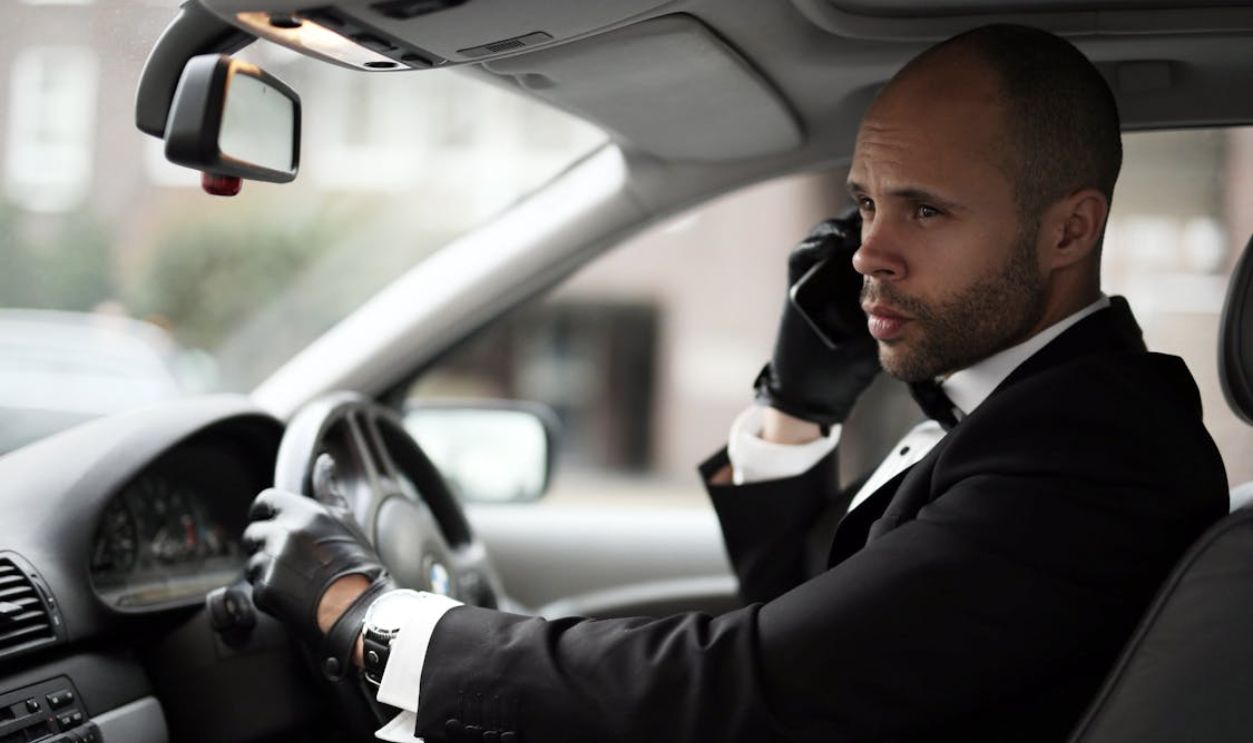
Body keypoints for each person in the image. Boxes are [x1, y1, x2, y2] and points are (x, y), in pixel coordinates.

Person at [242, 23, 1229, 743]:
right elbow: (831, 621)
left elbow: (759, 683)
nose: (867, 253)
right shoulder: (1042, 410)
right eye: (864, 204)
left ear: (1067, 229)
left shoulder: (1092, 450)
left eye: (924, 211)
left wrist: (369, 618)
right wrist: (798, 403)